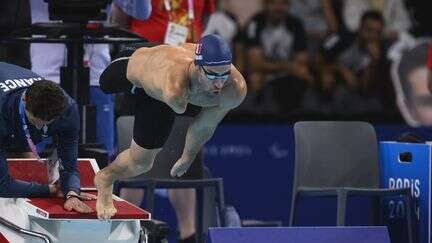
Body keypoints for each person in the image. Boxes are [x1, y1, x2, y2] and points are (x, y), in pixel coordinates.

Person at [94, 34, 247, 220]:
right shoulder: (174, 86)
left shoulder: (234, 88)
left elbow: (204, 126)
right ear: (198, 68)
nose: (219, 83)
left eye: (224, 74)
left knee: (141, 163)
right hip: (139, 66)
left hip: (170, 93)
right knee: (102, 84)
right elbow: (179, 105)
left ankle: (105, 177)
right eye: (213, 75)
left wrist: (187, 157)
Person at [0, 62, 95, 212]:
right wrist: (50, 190)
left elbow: (69, 165)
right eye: (34, 121)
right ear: (25, 101)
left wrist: (71, 192)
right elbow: (2, 186)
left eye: (47, 123)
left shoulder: (67, 109)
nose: (40, 126)